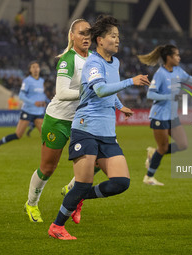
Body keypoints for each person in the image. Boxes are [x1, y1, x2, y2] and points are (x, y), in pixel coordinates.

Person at [48, 15, 150, 240]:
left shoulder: (116, 63)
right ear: (100, 40)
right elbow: (100, 90)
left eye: (118, 37)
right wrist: (130, 82)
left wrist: (119, 105)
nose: (117, 40)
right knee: (83, 182)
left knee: (121, 182)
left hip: (107, 133)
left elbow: (108, 91)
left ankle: (81, 198)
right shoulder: (93, 62)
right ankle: (57, 227)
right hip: (86, 129)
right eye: (113, 36)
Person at [24, 19, 132, 224]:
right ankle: (31, 203)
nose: (86, 37)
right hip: (59, 119)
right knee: (48, 168)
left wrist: (119, 106)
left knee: (100, 161)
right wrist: (89, 91)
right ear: (71, 36)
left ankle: (74, 189)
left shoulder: (95, 58)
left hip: (85, 122)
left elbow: (105, 86)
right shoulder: (67, 59)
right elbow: (62, 92)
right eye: (81, 33)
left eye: (88, 34)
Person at [137, 44, 192, 185]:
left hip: (172, 116)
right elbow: (150, 94)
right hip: (159, 116)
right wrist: (168, 96)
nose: (179, 57)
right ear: (169, 57)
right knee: (163, 147)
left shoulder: (178, 71)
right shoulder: (160, 74)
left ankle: (154, 153)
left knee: (183, 145)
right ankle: (149, 177)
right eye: (176, 55)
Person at [0, 61, 47, 156]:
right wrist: (34, 102)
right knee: (18, 135)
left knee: (45, 137)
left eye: (37, 67)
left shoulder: (41, 81)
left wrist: (46, 101)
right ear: (30, 70)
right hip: (28, 111)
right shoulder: (27, 81)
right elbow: (21, 96)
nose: (35, 69)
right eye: (33, 67)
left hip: (39, 112)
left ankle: (47, 160)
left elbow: (41, 95)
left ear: (39, 69)